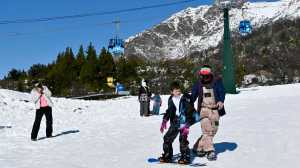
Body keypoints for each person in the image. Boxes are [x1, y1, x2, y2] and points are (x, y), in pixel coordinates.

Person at [191, 65, 226, 161]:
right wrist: (187, 104)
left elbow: (222, 92)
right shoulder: (198, 84)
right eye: (202, 76)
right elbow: (193, 96)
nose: (204, 78)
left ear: (210, 75)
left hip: (215, 110)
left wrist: (221, 101)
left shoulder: (217, 82)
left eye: (206, 76)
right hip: (204, 110)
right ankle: (210, 151)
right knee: (207, 130)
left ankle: (197, 147)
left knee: (213, 130)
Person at [159, 81, 195, 164]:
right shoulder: (171, 99)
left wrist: (188, 123)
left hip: (184, 122)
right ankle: (167, 155)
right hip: (175, 122)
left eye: (179, 90)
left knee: (183, 140)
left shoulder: (184, 98)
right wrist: (165, 120)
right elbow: (169, 110)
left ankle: (185, 156)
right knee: (167, 138)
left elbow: (190, 110)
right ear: (171, 92)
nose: (178, 92)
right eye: (176, 91)